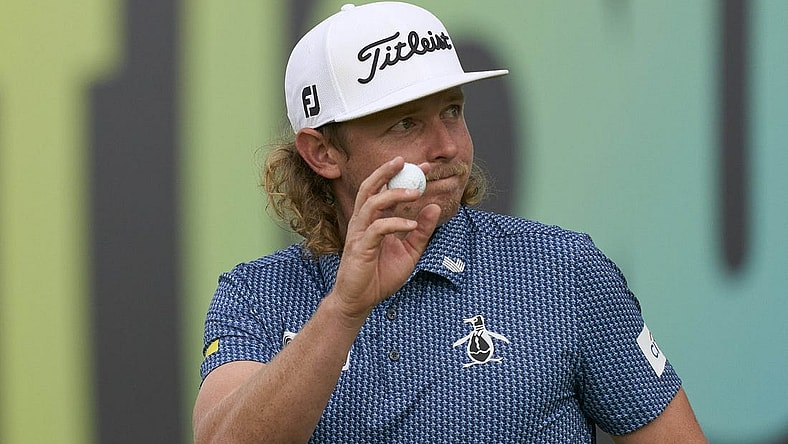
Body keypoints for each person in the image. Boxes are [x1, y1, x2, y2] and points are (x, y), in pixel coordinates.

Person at [192, 2, 707, 443]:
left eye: (453, 111)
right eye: (406, 123)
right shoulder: (255, 294)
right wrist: (343, 312)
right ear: (323, 152)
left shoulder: (563, 270)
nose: (448, 147)